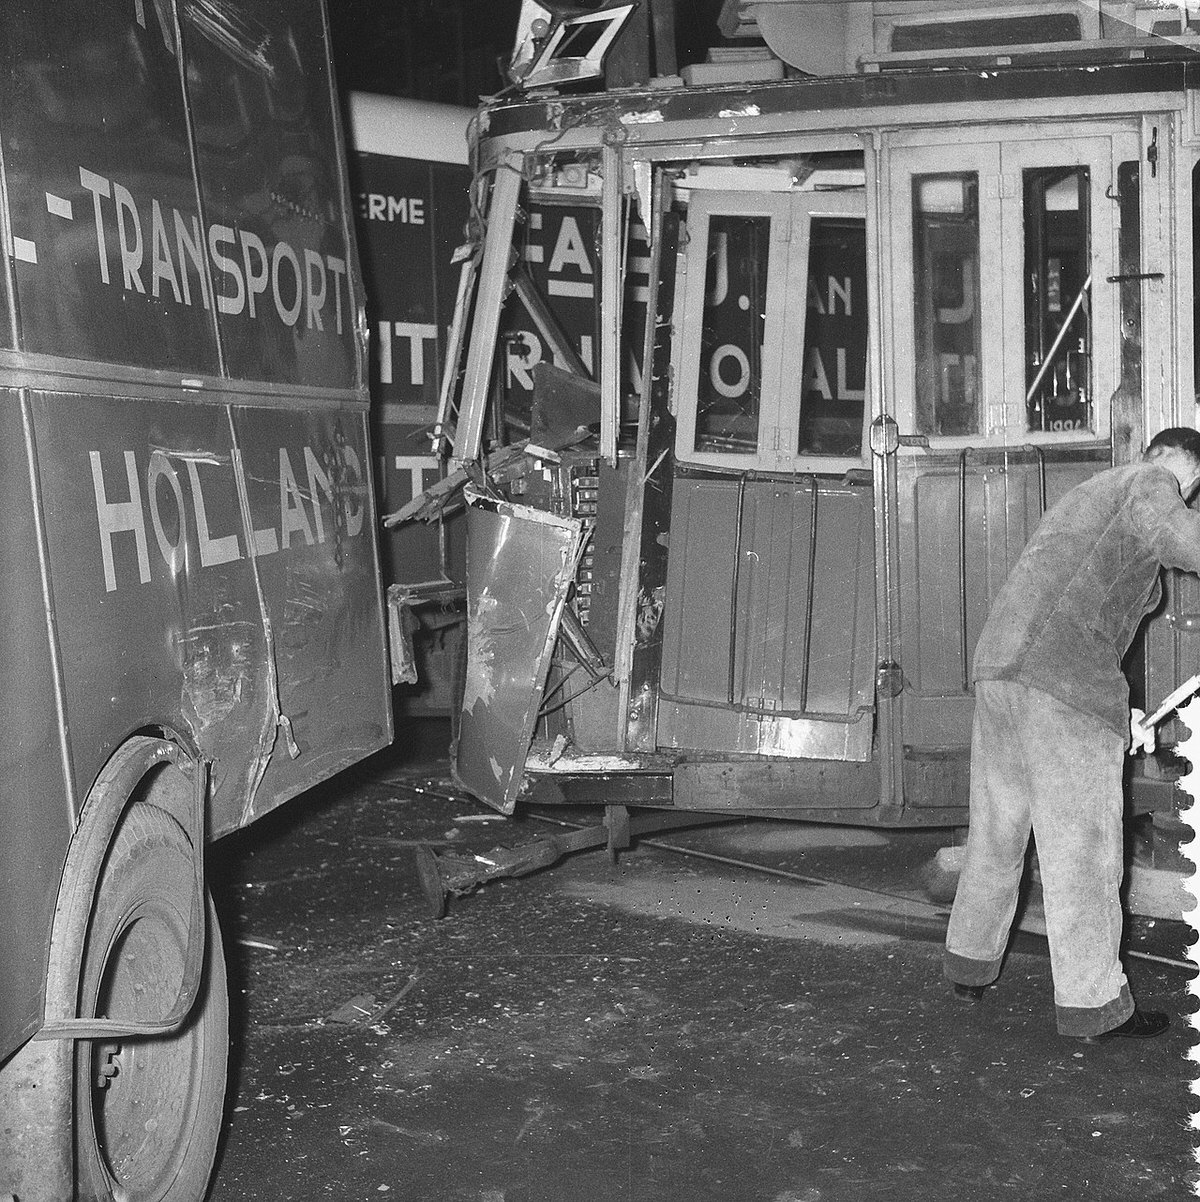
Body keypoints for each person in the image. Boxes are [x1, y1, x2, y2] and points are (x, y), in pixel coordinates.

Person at [944, 426, 1200, 1041]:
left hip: (1003, 670)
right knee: (1084, 850)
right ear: (1185, 467)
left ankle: (970, 965)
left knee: (999, 830)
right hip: (1062, 683)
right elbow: (1183, 539)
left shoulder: (1090, 492)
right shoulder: (1152, 482)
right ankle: (1093, 1006)